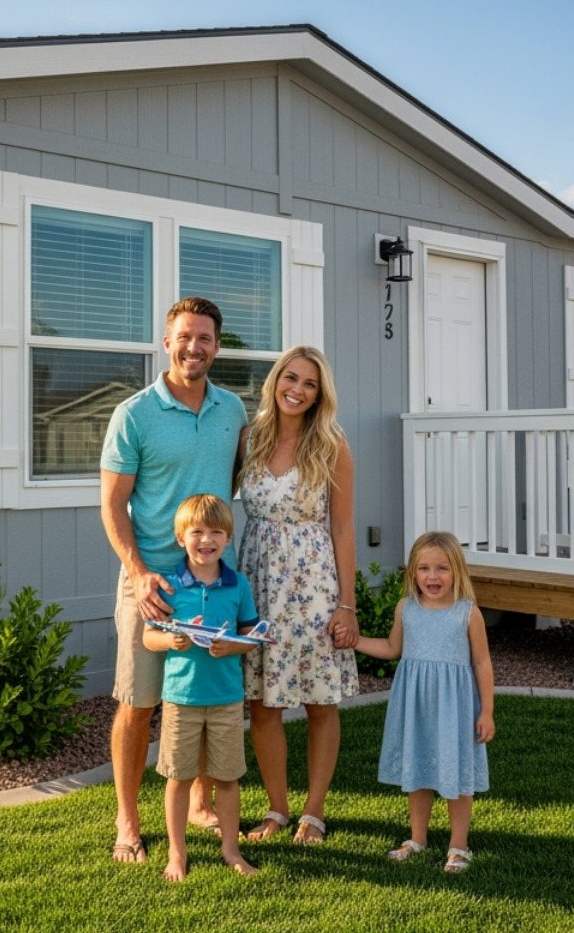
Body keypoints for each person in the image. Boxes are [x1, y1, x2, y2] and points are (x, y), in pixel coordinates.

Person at [100, 297, 247, 865]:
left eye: (206, 338)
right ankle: (128, 820)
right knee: (139, 704)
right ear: (167, 342)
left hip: (210, 581)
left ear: (217, 345)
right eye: (185, 336)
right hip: (153, 585)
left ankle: (200, 803)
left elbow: (235, 483)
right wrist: (138, 574)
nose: (195, 347)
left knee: (205, 695)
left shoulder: (233, 410)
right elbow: (112, 505)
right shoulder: (134, 414)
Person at [237, 345, 360, 846]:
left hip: (312, 586)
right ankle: (277, 809)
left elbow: (345, 528)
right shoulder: (249, 437)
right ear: (275, 381)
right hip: (256, 581)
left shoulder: (331, 444)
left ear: (319, 394)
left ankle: (314, 812)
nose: (298, 390)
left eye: (310, 384)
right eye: (291, 378)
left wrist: (346, 606)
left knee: (319, 701)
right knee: (264, 704)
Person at [355, 531, 495, 873]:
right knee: (417, 770)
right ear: (412, 573)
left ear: (457, 571)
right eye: (424, 568)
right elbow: (392, 649)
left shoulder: (467, 613)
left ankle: (458, 846)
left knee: (456, 774)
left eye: (442, 569)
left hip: (455, 709)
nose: (432, 577)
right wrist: (355, 641)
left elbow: (482, 663)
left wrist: (487, 711)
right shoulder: (407, 609)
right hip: (415, 708)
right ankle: (417, 838)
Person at [142, 495, 262, 881]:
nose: (206, 540)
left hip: (226, 699)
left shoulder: (238, 584)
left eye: (216, 532)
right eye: (196, 532)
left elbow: (252, 636)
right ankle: (177, 855)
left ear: (228, 538)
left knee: (227, 778)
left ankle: (231, 851)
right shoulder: (171, 586)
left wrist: (233, 647)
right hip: (181, 699)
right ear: (181, 538)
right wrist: (172, 641)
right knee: (179, 778)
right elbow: (149, 637)